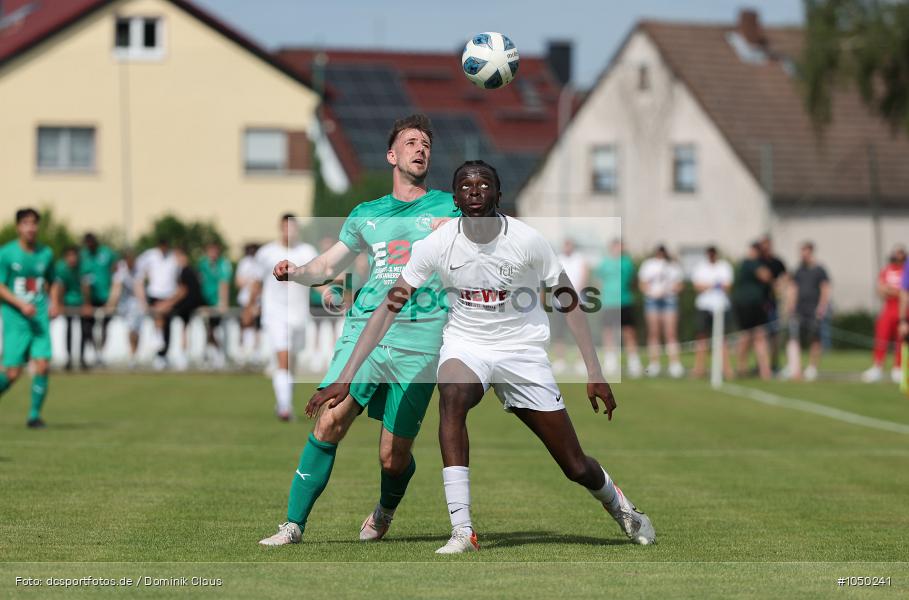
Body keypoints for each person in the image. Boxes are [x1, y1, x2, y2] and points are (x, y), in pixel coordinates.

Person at [311, 160, 655, 554]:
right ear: (456, 200)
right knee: (453, 394)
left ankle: (620, 505)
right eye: (466, 186)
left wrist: (595, 371)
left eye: (484, 184)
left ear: (498, 194)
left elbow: (569, 300)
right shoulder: (436, 244)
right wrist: (346, 376)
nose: (475, 191)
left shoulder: (526, 240)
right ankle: (463, 531)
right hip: (467, 345)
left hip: (522, 352)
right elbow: (388, 308)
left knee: (574, 465)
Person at [258, 114, 460, 548]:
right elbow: (327, 266)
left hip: (421, 339)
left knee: (392, 457)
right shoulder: (365, 214)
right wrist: (297, 272)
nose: (420, 149)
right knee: (331, 418)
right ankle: (292, 525)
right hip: (365, 331)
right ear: (392, 155)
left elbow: (491, 237)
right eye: (411, 142)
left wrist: (464, 231)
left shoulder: (451, 208)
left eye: (425, 144)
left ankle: (386, 508)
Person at [246, 215, 317, 420]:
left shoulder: (307, 251)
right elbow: (257, 282)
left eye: (293, 227)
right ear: (280, 228)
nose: (289, 231)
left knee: (291, 362)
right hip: (275, 313)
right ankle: (285, 407)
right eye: (286, 227)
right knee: (283, 359)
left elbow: (317, 278)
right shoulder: (267, 253)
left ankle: (284, 402)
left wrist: (331, 294)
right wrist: (249, 307)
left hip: (299, 314)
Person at [0, 208, 59, 428]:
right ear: (18, 227)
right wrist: (21, 304)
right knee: (12, 373)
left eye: (34, 223)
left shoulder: (46, 254)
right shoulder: (6, 254)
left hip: (39, 319)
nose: (31, 228)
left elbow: (53, 281)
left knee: (42, 365)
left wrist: (54, 302)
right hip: (15, 319)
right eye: (25, 223)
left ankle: (34, 416)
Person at [594, 239, 641, 378]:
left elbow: (633, 281)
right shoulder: (604, 263)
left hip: (625, 301)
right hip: (608, 303)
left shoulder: (627, 263)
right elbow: (598, 281)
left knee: (628, 332)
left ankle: (633, 362)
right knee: (608, 332)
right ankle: (610, 361)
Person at [785, 242, 831, 382]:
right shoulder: (798, 270)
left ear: (811, 252)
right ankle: (795, 366)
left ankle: (812, 367)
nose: (803, 255)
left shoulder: (820, 270)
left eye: (805, 252)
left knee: (815, 338)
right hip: (800, 310)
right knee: (795, 338)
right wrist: (790, 305)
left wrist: (822, 307)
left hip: (814, 310)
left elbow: (825, 288)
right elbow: (793, 288)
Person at [153, 247, 205, 369]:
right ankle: (180, 354)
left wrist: (168, 303)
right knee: (184, 328)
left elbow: (182, 291)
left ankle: (158, 340)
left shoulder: (185, 271)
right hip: (193, 302)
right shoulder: (191, 270)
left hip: (188, 303)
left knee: (160, 311)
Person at [638, 244, 684, 377]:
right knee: (654, 332)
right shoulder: (648, 265)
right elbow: (642, 284)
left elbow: (679, 285)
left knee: (671, 332)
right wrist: (652, 292)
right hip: (652, 301)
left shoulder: (673, 266)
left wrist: (668, 290)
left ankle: (674, 363)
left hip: (669, 301)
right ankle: (654, 363)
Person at [862, 246, 906, 383]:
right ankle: (878, 366)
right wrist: (893, 291)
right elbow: (881, 289)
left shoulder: (906, 270)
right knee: (881, 337)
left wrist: (893, 291)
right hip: (888, 309)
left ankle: (898, 368)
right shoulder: (886, 270)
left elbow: (904, 292)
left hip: (903, 309)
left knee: (901, 340)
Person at [690, 246, 734, 379]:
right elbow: (697, 286)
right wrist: (714, 285)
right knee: (701, 337)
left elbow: (727, 286)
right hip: (704, 306)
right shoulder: (700, 267)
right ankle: (699, 369)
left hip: (721, 307)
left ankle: (726, 369)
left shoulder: (724, 266)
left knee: (722, 338)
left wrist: (709, 285)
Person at [135, 239, 179, 370]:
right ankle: (158, 351)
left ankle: (163, 354)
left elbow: (178, 275)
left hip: (169, 295)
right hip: (154, 293)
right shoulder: (150, 255)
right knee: (158, 318)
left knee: (167, 325)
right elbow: (139, 269)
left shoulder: (173, 257)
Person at [732, 242, 773, 380]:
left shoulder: (754, 263)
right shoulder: (750, 263)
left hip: (756, 305)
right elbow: (765, 276)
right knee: (746, 337)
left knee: (759, 336)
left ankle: (764, 370)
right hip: (747, 305)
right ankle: (742, 367)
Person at [79, 233, 118, 367]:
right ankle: (94, 352)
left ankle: (101, 353)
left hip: (106, 297)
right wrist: (87, 302)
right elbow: (84, 280)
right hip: (89, 299)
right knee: (88, 328)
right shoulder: (83, 255)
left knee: (104, 326)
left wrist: (113, 298)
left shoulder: (107, 253)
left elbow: (116, 271)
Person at [551, 239, 589, 374]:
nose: (567, 247)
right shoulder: (558, 260)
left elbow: (584, 277)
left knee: (580, 332)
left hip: (577, 301)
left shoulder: (580, 259)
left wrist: (573, 294)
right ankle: (560, 361)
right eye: (565, 244)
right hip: (560, 302)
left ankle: (581, 361)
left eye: (569, 244)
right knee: (559, 333)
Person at [197, 241, 233, 369]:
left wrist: (223, 302)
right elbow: (200, 281)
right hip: (205, 301)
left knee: (216, 330)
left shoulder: (223, 264)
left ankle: (219, 354)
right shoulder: (202, 264)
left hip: (217, 301)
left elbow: (224, 283)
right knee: (208, 330)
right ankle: (212, 354)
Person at [105, 250, 142, 367]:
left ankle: (134, 355)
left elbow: (139, 288)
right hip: (125, 304)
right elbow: (116, 289)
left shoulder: (139, 269)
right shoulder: (121, 270)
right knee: (131, 330)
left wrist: (143, 304)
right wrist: (111, 304)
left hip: (137, 303)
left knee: (136, 331)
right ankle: (132, 356)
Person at [52, 246, 85, 371]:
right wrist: (59, 304)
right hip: (67, 302)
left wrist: (86, 304)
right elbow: (59, 287)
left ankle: (82, 358)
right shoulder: (61, 268)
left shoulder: (83, 267)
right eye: (69, 256)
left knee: (85, 330)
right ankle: (69, 358)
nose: (72, 259)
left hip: (81, 301)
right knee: (69, 330)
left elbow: (86, 287)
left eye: (74, 255)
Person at [758, 235, 787, 374]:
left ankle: (774, 363)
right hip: (758, 304)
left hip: (772, 303)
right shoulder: (757, 262)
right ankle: (762, 365)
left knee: (774, 334)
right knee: (759, 335)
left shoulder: (777, 262)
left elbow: (785, 278)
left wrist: (780, 287)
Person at [235, 243, 262, 365]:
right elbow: (238, 281)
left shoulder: (261, 263)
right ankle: (242, 351)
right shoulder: (244, 263)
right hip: (244, 299)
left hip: (257, 300)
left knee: (256, 326)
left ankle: (255, 352)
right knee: (245, 324)